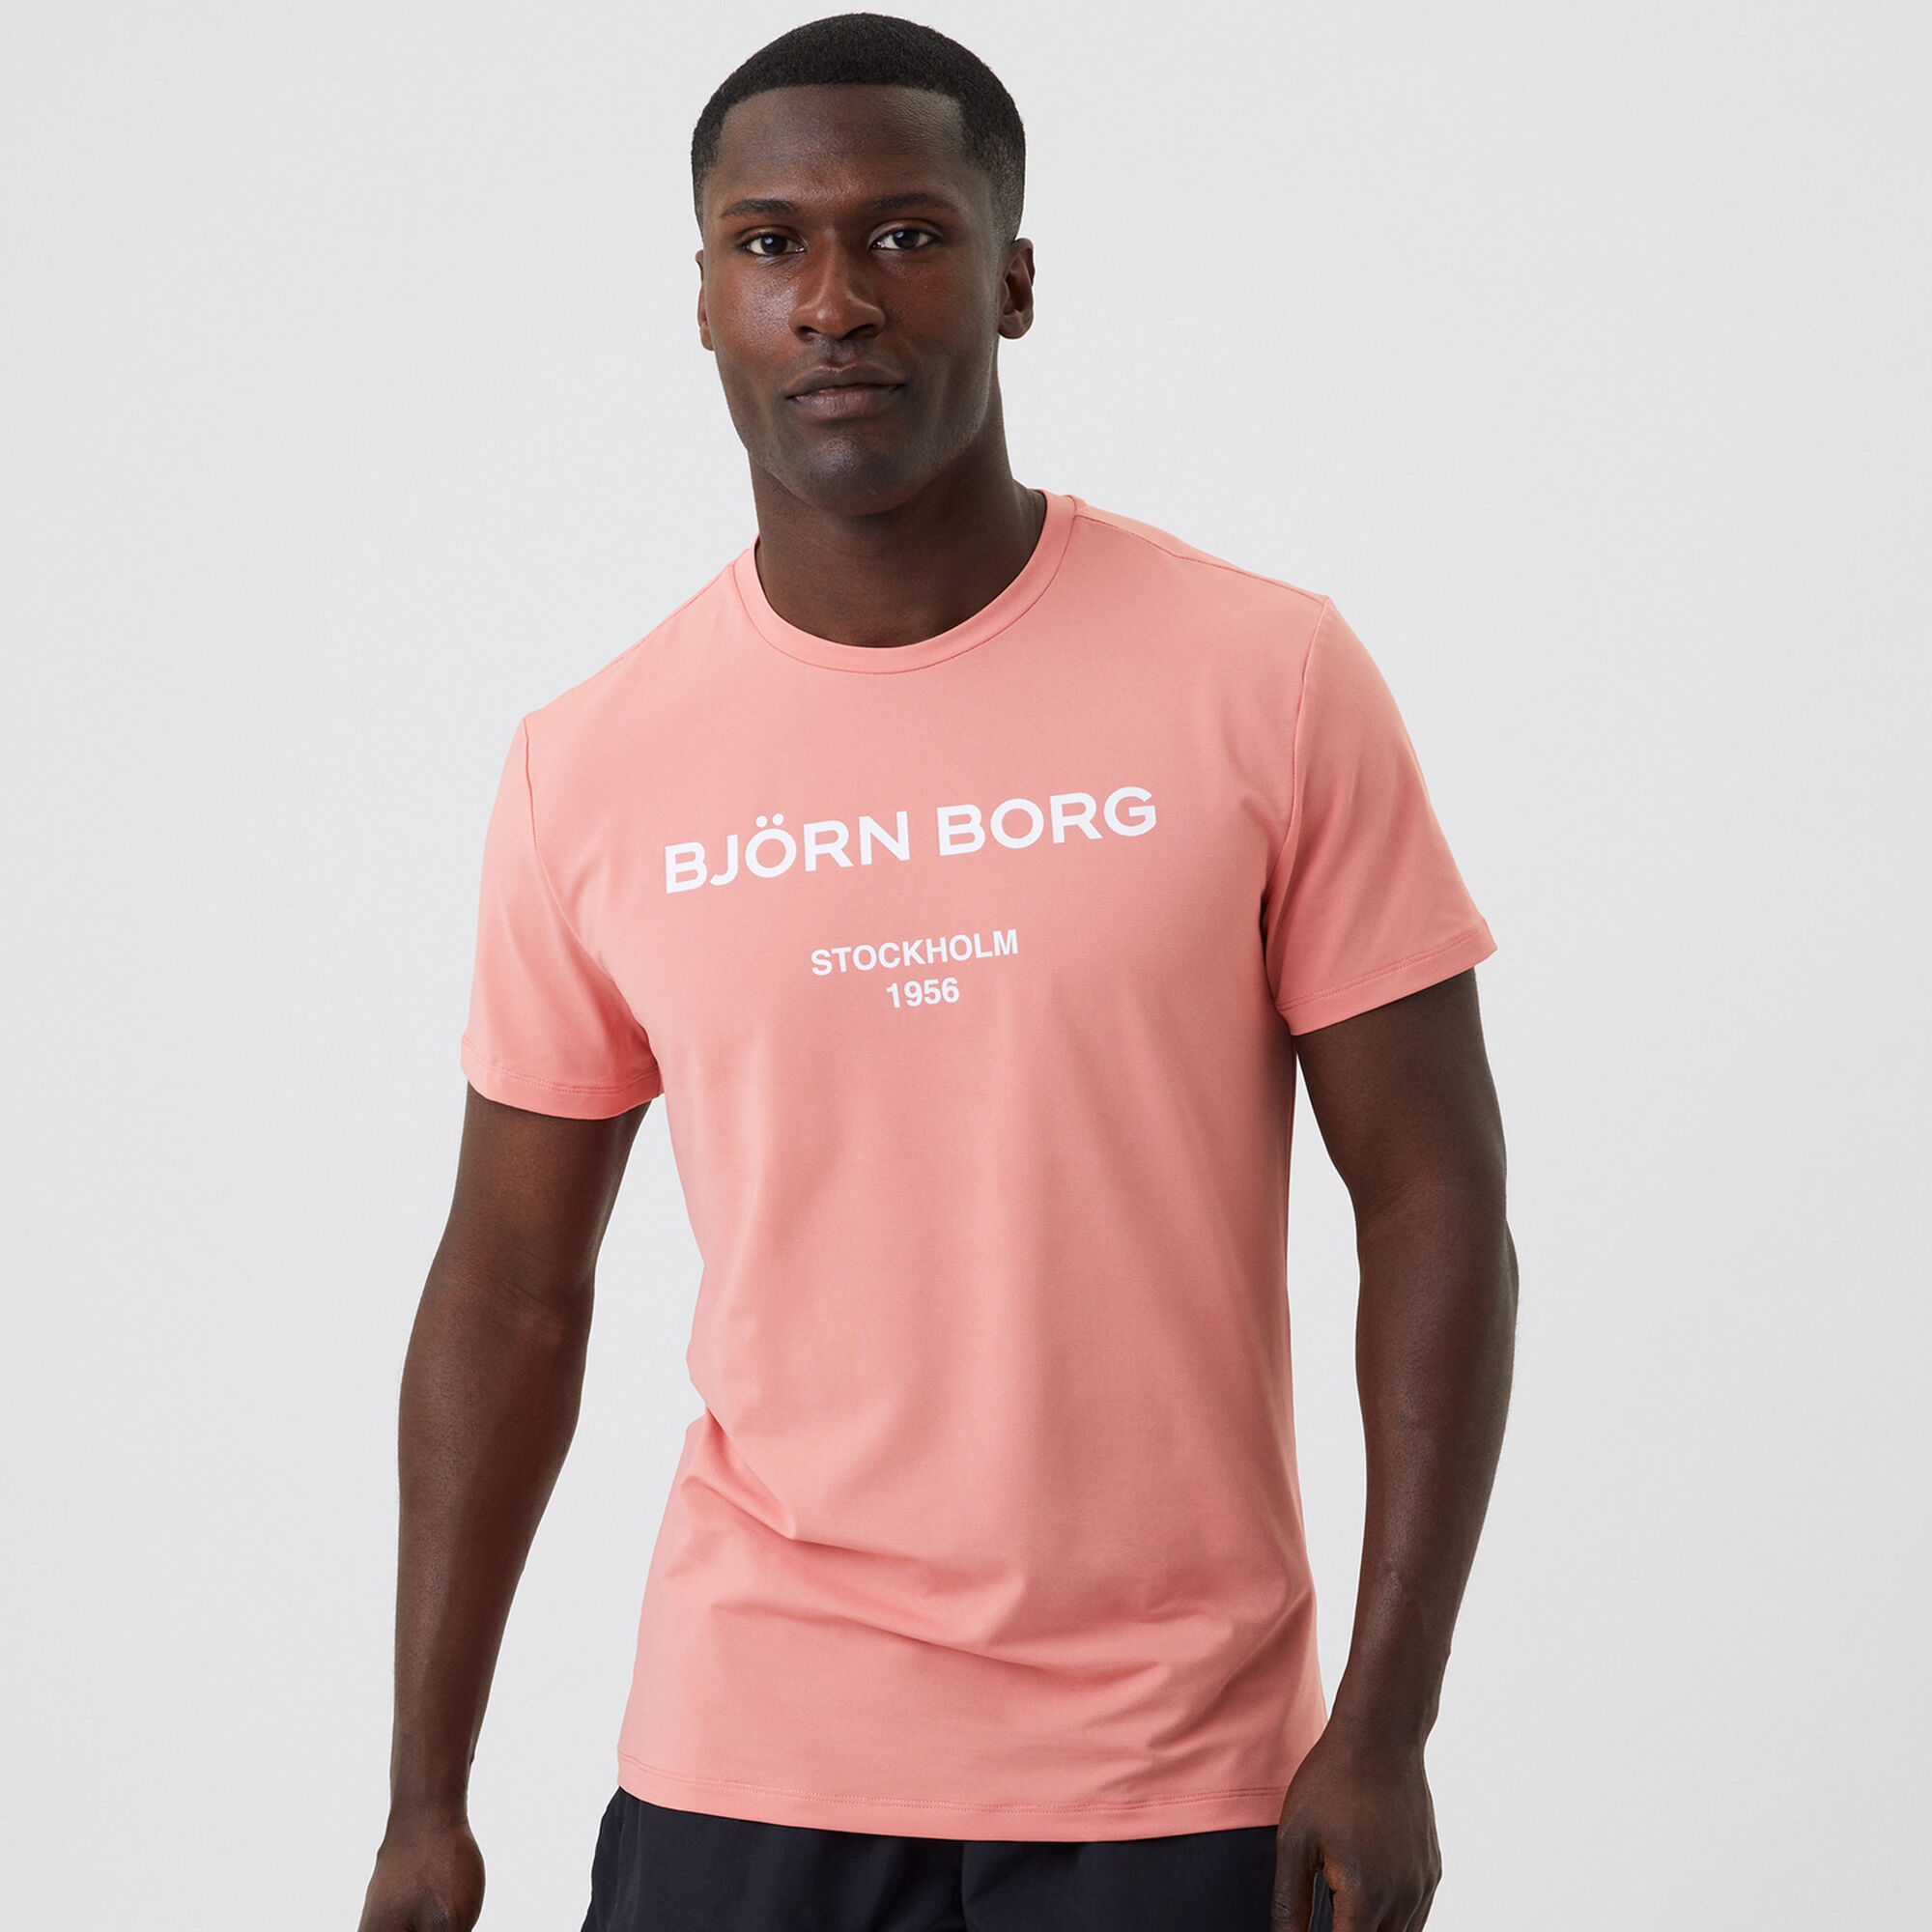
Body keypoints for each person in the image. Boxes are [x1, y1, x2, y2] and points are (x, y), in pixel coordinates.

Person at [355, 14, 1518, 1932]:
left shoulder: (1266, 678)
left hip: (1178, 1765)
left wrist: (1386, 1721)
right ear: (706, 300)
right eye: (769, 244)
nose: (834, 299)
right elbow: (508, 1286)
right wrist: (425, 1792)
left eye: (905, 234)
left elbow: (1433, 1196)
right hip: (746, 1756)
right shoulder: (592, 764)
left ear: (1014, 279)